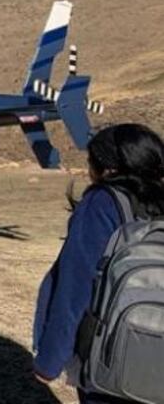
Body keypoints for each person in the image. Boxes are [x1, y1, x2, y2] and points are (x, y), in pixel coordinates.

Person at [33, 124, 164, 403]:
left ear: (108, 169)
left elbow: (75, 288)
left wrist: (50, 360)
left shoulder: (102, 203)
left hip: (111, 357)